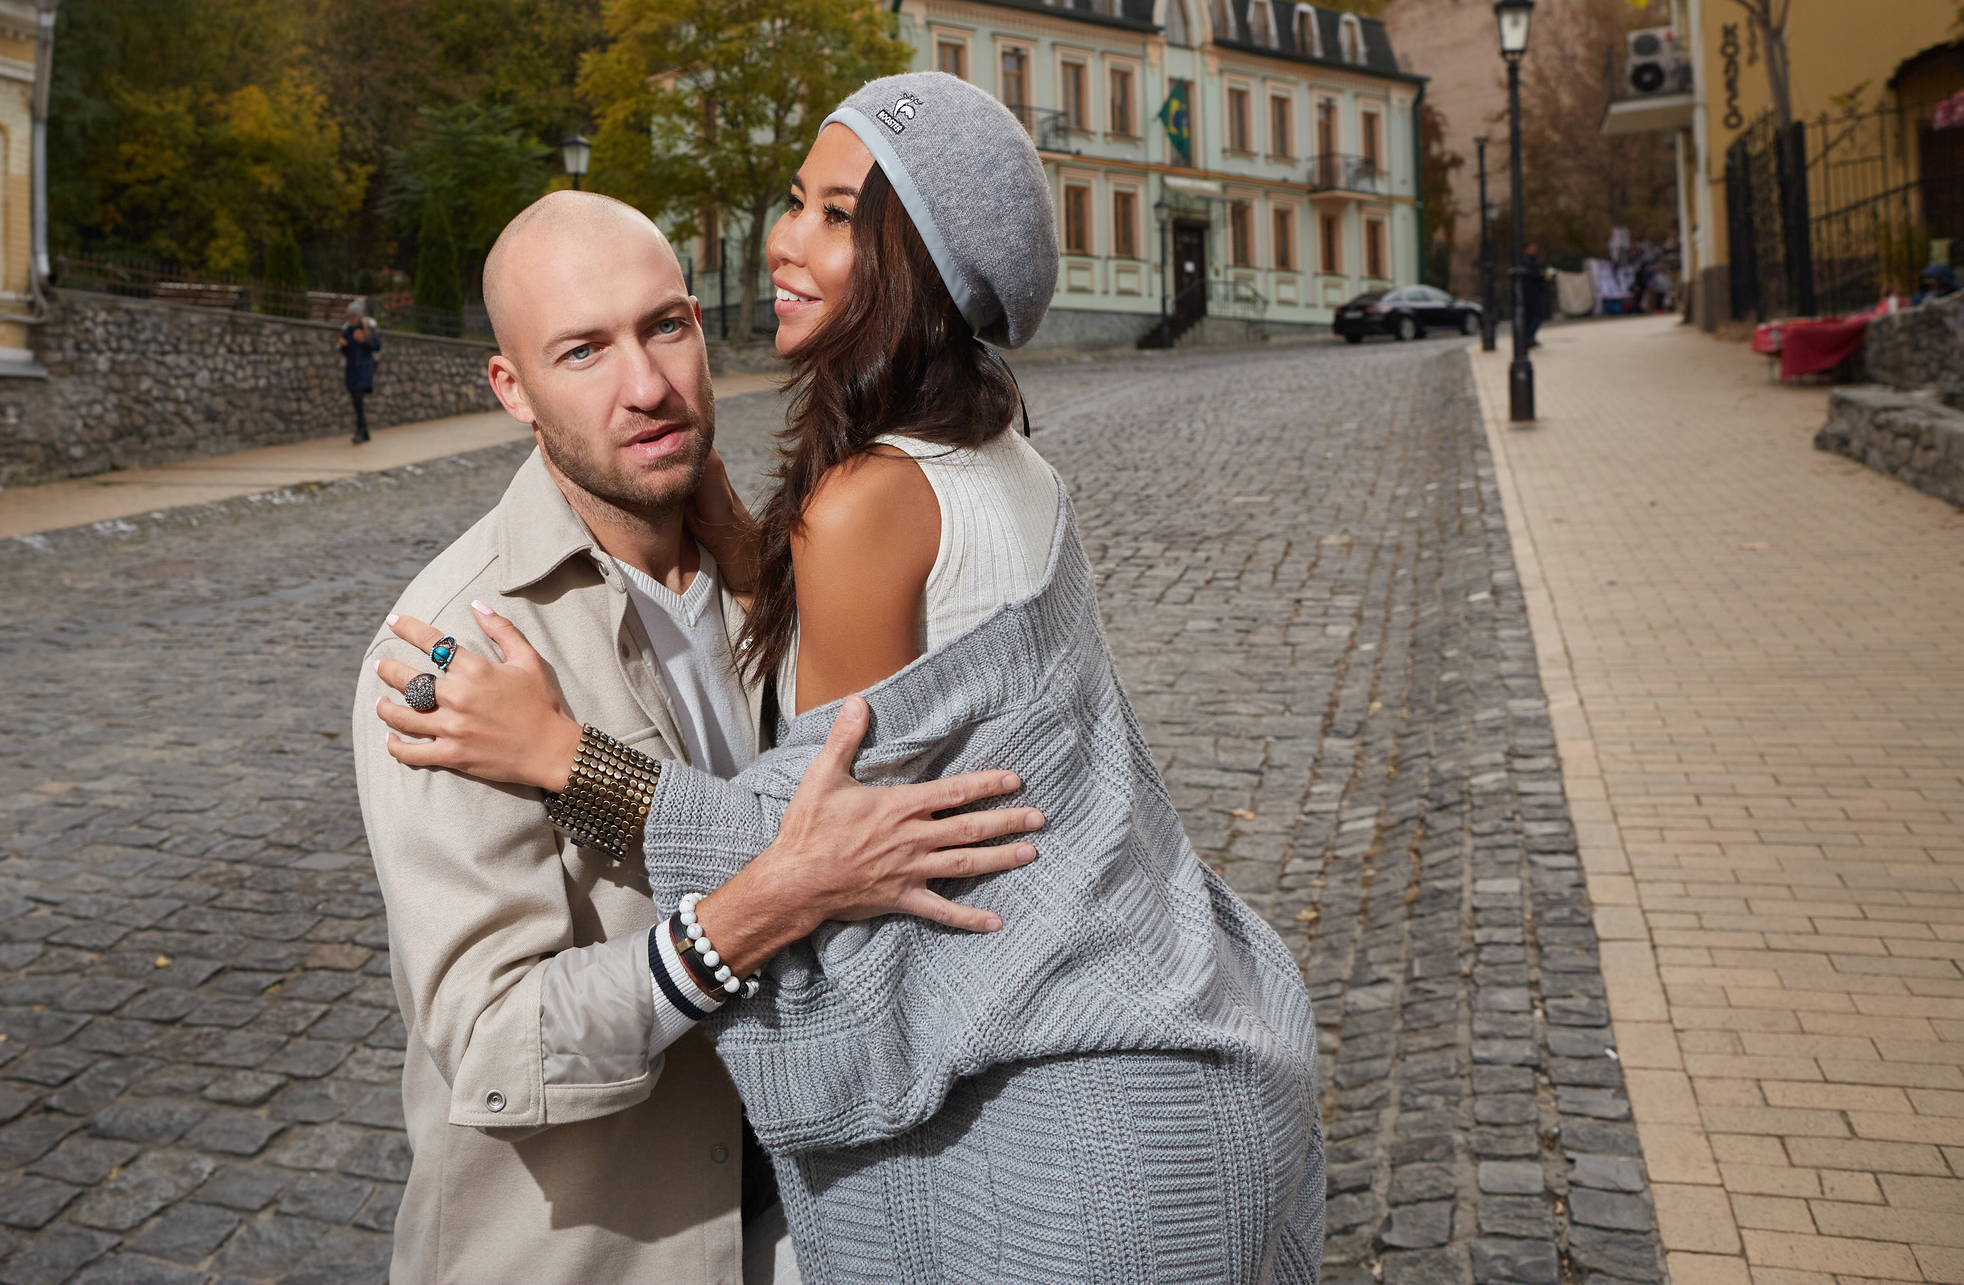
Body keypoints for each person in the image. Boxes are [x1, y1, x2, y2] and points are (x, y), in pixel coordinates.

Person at [376, 72, 1325, 1284]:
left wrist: (563, 760)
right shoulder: (994, 455)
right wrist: (743, 536)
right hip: (1182, 1074)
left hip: (1079, 1157)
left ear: (911, 265)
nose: (785, 240)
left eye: (837, 215)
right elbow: (494, 1035)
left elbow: (812, 842)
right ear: (510, 386)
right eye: (794, 201)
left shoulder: (861, 507)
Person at [351, 192, 1047, 1285]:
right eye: (582, 351)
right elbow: (495, 1047)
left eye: (663, 327)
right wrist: (768, 904)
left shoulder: (771, 574)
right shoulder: (458, 657)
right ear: (511, 390)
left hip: (810, 1224)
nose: (646, 386)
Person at [339, 298, 382, 444]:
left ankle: (360, 432)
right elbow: (346, 352)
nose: (351, 319)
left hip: (364, 369)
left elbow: (377, 346)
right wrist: (344, 345)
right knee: (356, 401)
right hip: (352, 370)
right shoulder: (347, 330)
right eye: (349, 316)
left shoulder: (367, 328)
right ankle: (365, 432)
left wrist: (363, 340)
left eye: (354, 316)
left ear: (359, 316)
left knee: (358, 399)